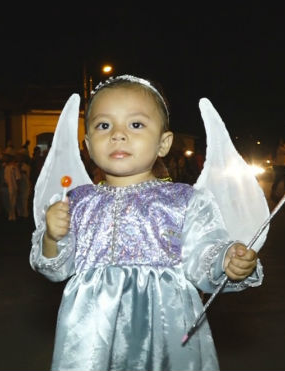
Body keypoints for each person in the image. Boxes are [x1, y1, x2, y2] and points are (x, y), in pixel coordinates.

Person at [29, 75, 262, 371]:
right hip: (92, 335)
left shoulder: (184, 200)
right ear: (87, 144)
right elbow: (55, 267)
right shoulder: (74, 202)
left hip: (167, 329)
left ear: (164, 143)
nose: (118, 135)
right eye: (104, 125)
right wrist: (52, 237)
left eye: (136, 124)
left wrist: (227, 259)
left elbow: (204, 253)